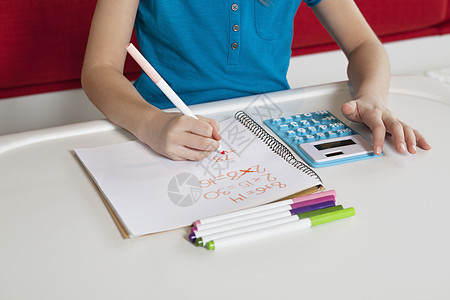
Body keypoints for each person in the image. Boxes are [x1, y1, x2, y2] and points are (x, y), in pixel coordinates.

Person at [81, 0, 431, 161]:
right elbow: (99, 69)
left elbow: (363, 44)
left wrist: (371, 95)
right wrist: (150, 123)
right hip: (159, 132)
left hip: (272, 132)